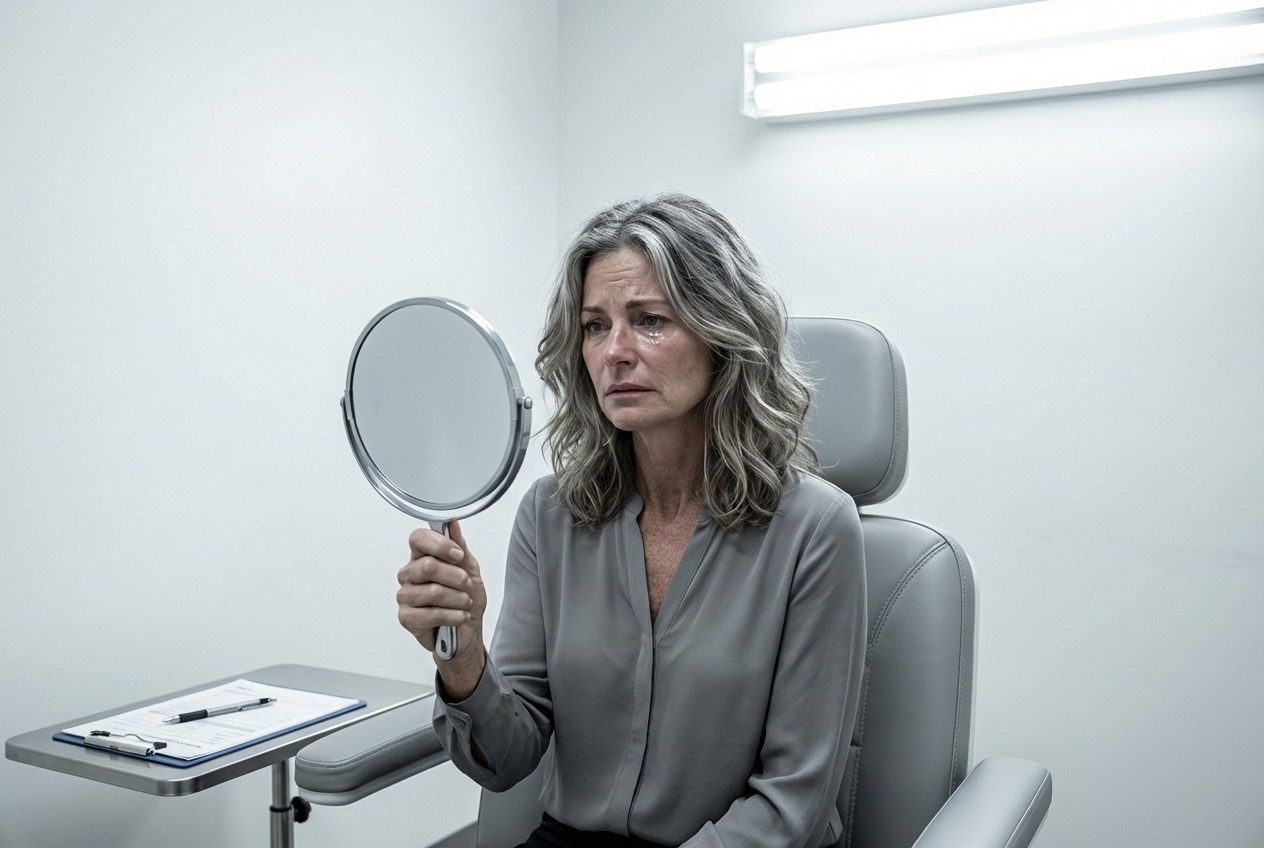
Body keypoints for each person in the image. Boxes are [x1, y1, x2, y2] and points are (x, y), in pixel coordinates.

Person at [396, 192, 866, 848]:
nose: (614, 352)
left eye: (649, 320)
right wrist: (464, 657)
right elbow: (505, 760)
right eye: (595, 326)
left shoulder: (815, 528)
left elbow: (793, 805)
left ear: (721, 334)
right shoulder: (552, 515)